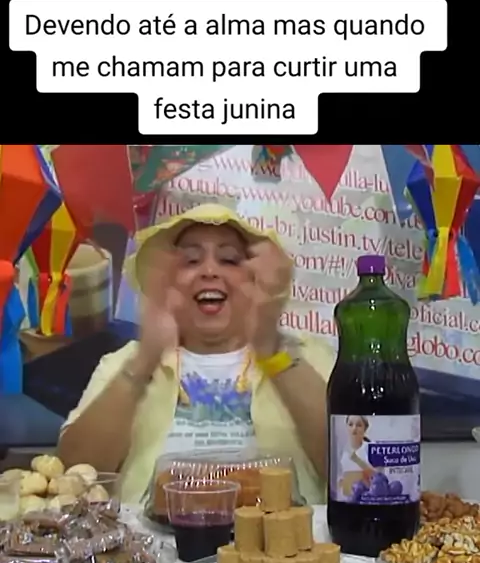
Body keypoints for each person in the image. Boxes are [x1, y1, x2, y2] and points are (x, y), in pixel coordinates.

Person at [58, 203, 335, 504]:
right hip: (152, 533)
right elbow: (75, 475)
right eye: (191, 260)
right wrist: (145, 361)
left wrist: (272, 349)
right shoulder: (125, 362)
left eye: (229, 259)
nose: (209, 271)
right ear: (168, 283)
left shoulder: (306, 356)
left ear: (255, 280)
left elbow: (349, 467)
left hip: (284, 532)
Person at [339, 415, 375, 497]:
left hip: (367, 497)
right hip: (348, 497)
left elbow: (377, 476)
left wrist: (356, 459)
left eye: (359, 425)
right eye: (350, 424)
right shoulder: (343, 451)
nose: (354, 428)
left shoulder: (370, 448)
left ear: (365, 429)